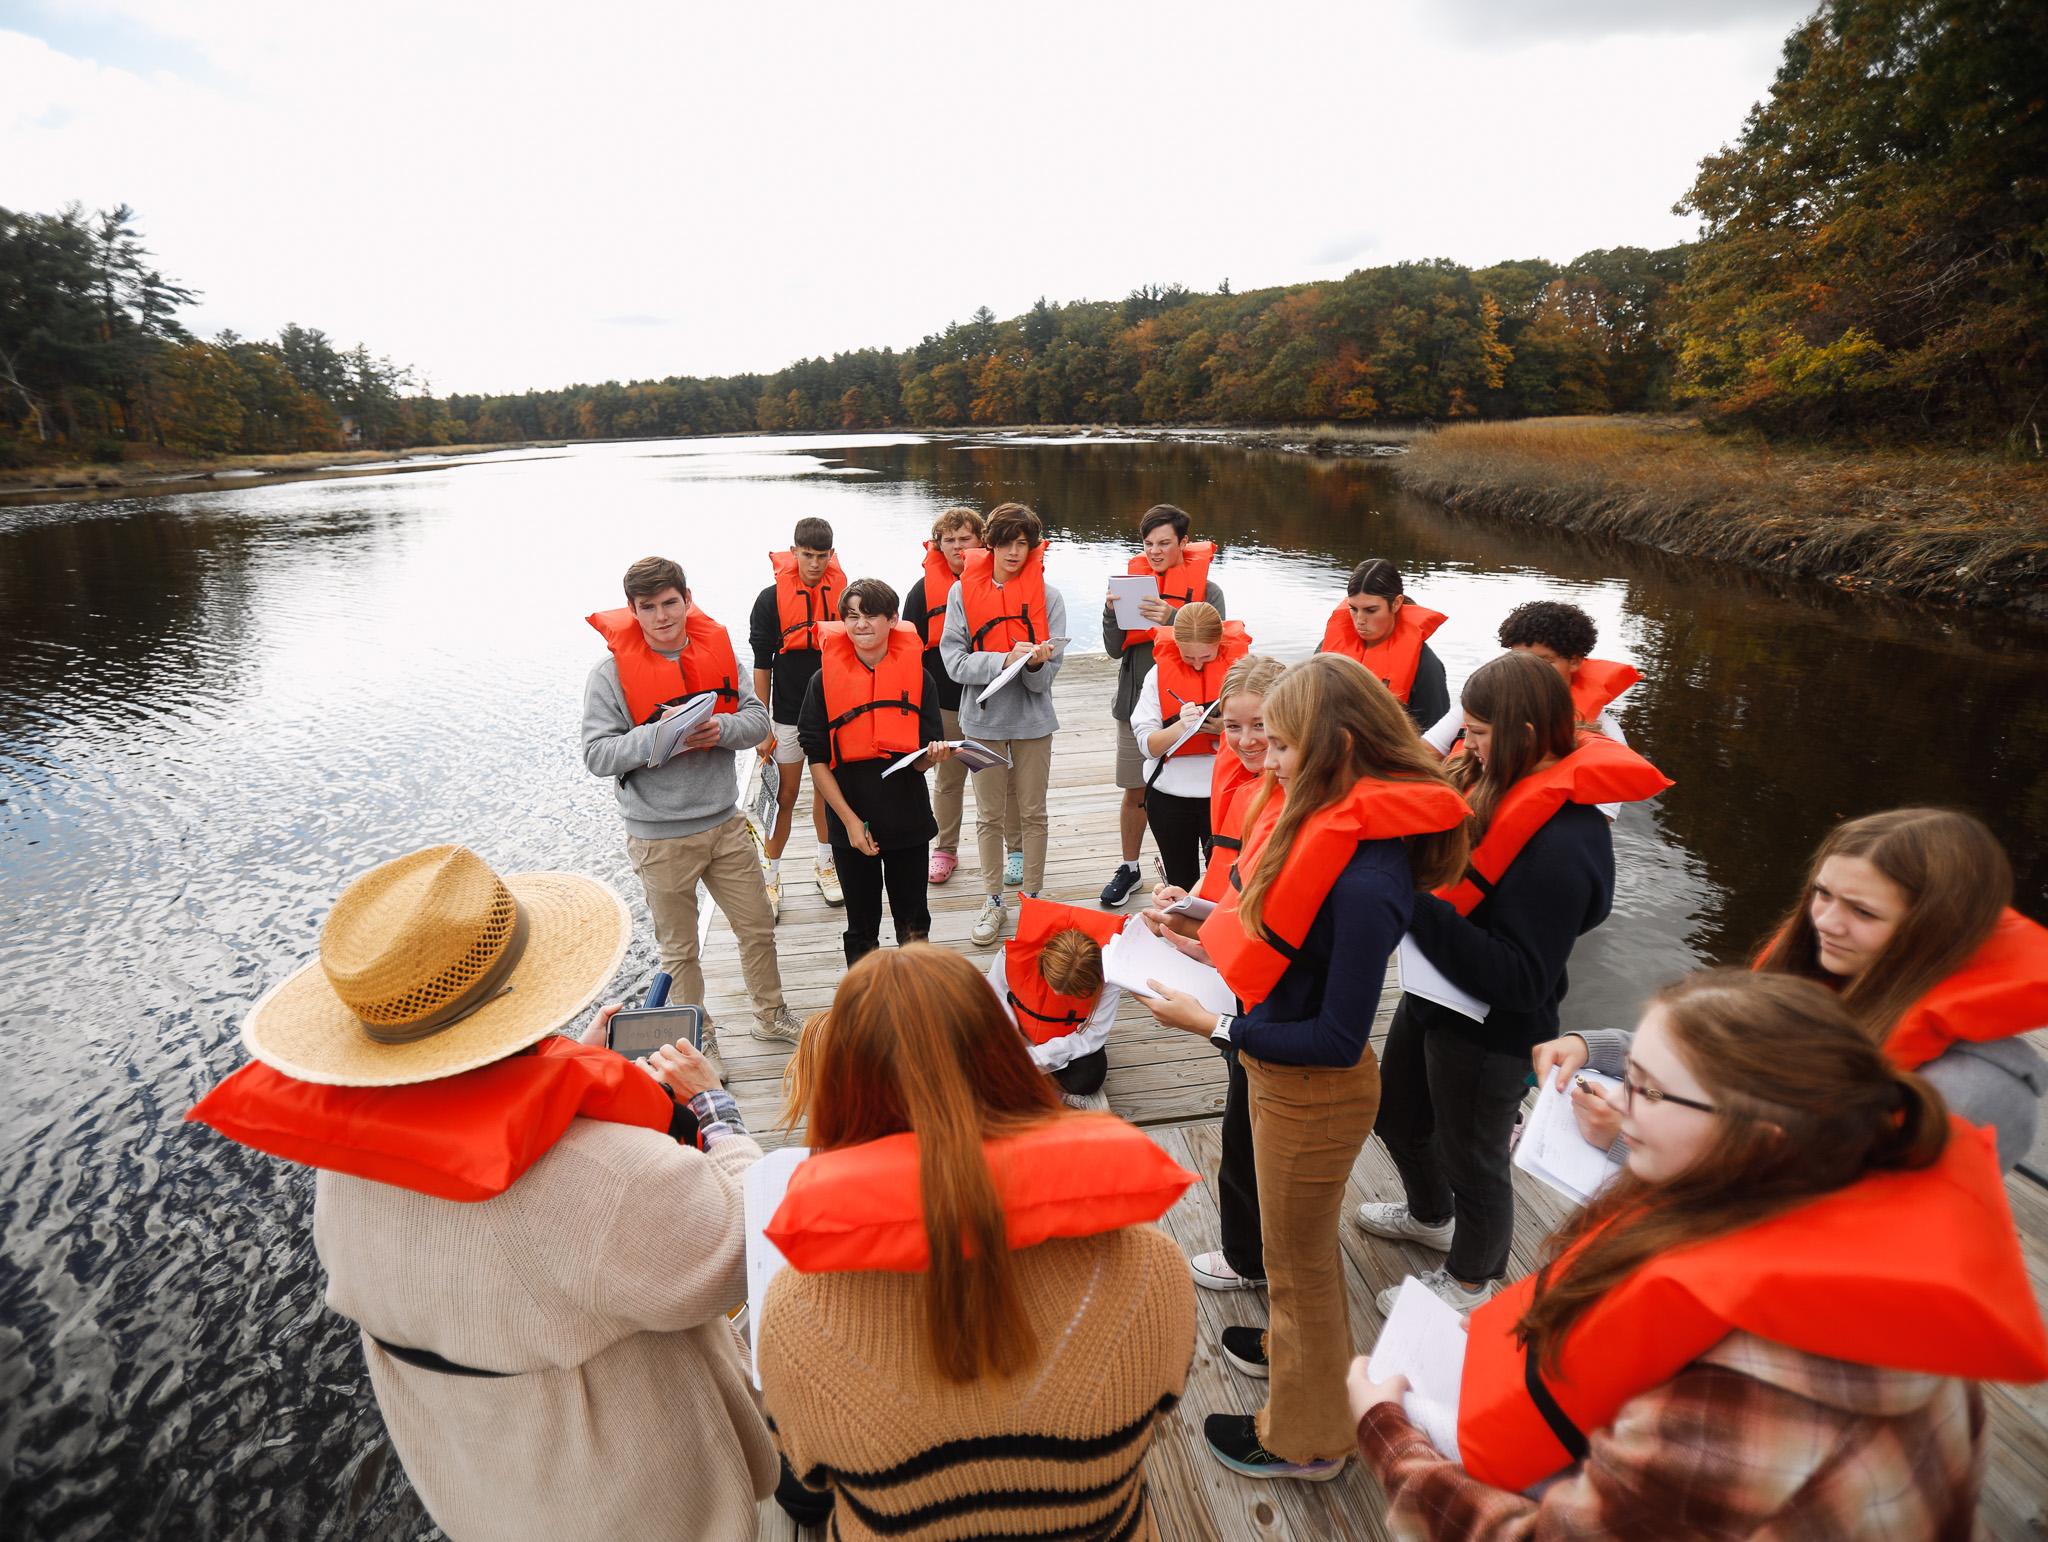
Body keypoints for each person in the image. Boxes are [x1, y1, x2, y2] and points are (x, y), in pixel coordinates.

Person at [187, 845, 778, 1542]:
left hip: (486, 1497)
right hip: (640, 1508)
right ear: (521, 992)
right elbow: (749, 1241)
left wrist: (562, 1067)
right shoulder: (607, 1176)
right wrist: (715, 1111)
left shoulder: (346, 1167)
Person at [1349, 969, 2048, 1539]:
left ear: (1763, 1139)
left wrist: (1388, 1433)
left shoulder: (1762, 1374)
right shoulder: (1801, 1210)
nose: (1620, 1103)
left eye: (1649, 1090)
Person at [1137, 653, 1472, 1480]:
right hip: (1284, 1084)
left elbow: (1335, 1036)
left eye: (1283, 745)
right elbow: (1291, 941)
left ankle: (1310, 1440)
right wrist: (1203, 913)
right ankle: (1293, 1355)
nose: (1269, 760)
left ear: (1338, 745)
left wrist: (1213, 1022)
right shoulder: (1334, 829)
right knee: (1293, 1263)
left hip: (1314, 1095)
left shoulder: (1369, 878)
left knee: (1303, 1269)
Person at [758, 946, 1198, 1540]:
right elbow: (1162, 1414)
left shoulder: (796, 1312)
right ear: (1005, 1055)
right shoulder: (1151, 1268)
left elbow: (810, 1475)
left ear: (840, 1087)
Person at [1359, 650, 1669, 1314]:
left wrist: (1412, 903)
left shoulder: (1564, 844)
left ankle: (1471, 1281)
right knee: (1399, 1115)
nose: (1461, 744)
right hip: (1434, 994)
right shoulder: (1491, 778)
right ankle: (1429, 1215)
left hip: (1492, 1032)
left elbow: (1522, 980)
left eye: (1475, 732)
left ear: (1526, 734)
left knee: (1475, 1159)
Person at [1540, 807, 2048, 1169]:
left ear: (1937, 928)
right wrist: (1593, 1047)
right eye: (1822, 894)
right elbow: (1714, 1058)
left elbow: (1834, 1233)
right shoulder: (1822, 977)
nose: (1826, 921)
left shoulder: (1975, 1092)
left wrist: (1628, 1143)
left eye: (1863, 911)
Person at [583, 556, 800, 1064]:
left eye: (670, 603)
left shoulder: (719, 652)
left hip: (724, 823)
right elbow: (596, 755)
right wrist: (655, 737)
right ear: (633, 611)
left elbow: (756, 719)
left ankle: (771, 1016)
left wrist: (719, 730)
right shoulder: (608, 675)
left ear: (686, 598)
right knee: (680, 953)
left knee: (757, 925)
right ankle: (698, 1041)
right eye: (648, 607)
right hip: (657, 837)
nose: (662, 616)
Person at [1148, 652, 1286, 1295]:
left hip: (1271, 994)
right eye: (1233, 728)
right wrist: (1190, 908)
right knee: (1241, 1112)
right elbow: (1232, 879)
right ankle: (1250, 1251)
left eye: (1262, 727)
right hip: (1233, 965)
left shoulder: (1298, 803)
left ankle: (1252, 1261)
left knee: (1249, 1123)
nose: (1247, 742)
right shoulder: (1253, 781)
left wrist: (1213, 939)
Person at [798, 578, 956, 970]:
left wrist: (931, 757)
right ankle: (865, 1009)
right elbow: (816, 758)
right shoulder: (822, 681)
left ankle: (918, 999)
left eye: (870, 615)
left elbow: (920, 757)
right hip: (851, 821)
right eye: (851, 616)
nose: (860, 624)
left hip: (907, 818)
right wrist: (850, 823)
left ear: (892, 619)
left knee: (914, 922)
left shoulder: (921, 678)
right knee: (861, 927)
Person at [939, 502, 1066, 948]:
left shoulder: (1048, 597)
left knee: (1034, 813)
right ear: (989, 542)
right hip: (981, 722)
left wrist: (1033, 664)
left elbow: (1045, 680)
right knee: (989, 816)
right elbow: (953, 662)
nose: (1015, 551)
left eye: (1024, 543)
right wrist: (1003, 659)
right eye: (1008, 541)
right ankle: (993, 901)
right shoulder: (961, 593)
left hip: (1034, 723)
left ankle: (1032, 900)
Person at [1099, 504, 1225, 908]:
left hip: (1199, 712)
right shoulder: (1132, 584)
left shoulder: (1210, 591)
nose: (1154, 552)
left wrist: (1174, 617)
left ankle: (1214, 885)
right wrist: (1110, 613)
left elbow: (1216, 650)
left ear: (1184, 542)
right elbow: (1115, 650)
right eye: (1148, 544)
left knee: (1209, 797)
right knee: (1135, 789)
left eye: (1164, 543)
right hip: (1138, 701)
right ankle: (1129, 867)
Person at [902, 507, 1020, 886]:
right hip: (945, 706)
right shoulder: (921, 593)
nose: (956, 546)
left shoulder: (1000, 583)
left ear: (980, 542)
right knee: (947, 781)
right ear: (938, 545)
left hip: (995, 703)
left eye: (964, 538)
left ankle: (1015, 848)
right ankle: (945, 849)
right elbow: (907, 654)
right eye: (948, 540)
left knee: (1007, 781)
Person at [749, 517, 847, 914]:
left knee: (828, 793)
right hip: (787, 715)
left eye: (822, 556)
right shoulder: (770, 600)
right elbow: (761, 665)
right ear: (794, 552)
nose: (814, 564)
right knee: (785, 796)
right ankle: (770, 876)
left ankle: (825, 864)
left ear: (831, 555)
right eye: (807, 555)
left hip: (832, 712)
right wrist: (761, 724)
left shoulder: (844, 595)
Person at [1421, 599, 1639, 775]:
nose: (1528, 671)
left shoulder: (1606, 733)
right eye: (1519, 659)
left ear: (1574, 661)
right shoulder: (1478, 702)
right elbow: (1426, 753)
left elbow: (1602, 816)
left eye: (1544, 661)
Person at [1128, 601, 1252, 890]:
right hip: (1169, 798)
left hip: (1226, 795)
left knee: (1226, 883)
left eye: (1206, 657)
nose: (1197, 665)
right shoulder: (1157, 676)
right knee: (1180, 882)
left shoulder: (1245, 675)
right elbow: (1148, 746)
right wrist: (1181, 726)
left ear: (1220, 645)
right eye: (1188, 657)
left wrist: (1228, 728)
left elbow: (1272, 735)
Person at [985, 896, 1127, 1112]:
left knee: (1091, 1075)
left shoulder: (1109, 976)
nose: (1057, 994)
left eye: (1070, 992)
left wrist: (1036, 1058)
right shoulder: (1011, 955)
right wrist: (1013, 1045)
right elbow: (994, 998)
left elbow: (1092, 1035)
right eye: (1052, 984)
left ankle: (1034, 1087)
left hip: (1064, 1044)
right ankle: (1044, 1086)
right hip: (1019, 1038)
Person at [1316, 558, 1449, 731]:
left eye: (1371, 610)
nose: (1360, 620)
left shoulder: (1426, 665)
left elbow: (1438, 737)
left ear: (1396, 603)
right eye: (1354, 609)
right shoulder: (1327, 648)